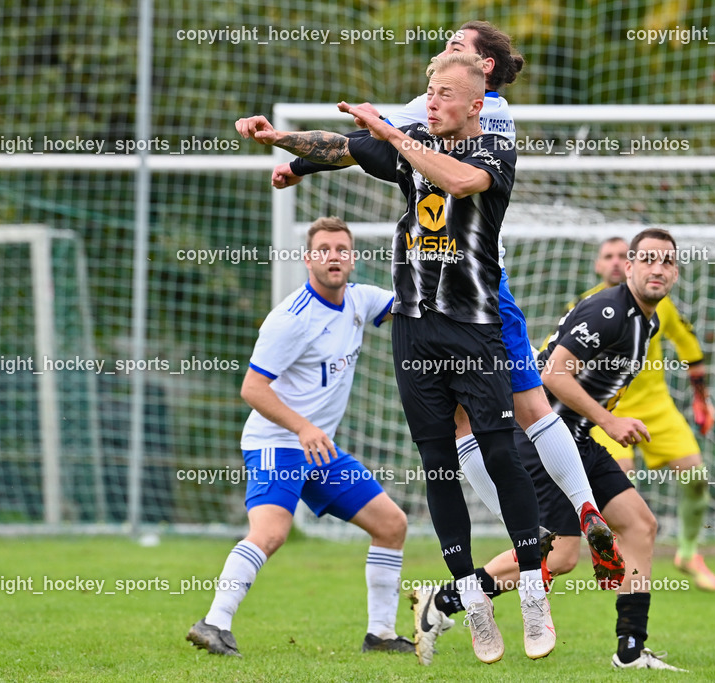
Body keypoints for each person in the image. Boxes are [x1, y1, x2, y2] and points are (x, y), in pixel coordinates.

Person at [274, 20, 622, 607]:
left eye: (458, 46)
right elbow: (362, 147)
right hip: (429, 308)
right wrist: (298, 160)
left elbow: (425, 161)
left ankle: (561, 519)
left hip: (478, 296)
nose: (444, 53)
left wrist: (382, 134)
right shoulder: (433, 101)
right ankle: (573, 513)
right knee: (479, 425)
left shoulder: (491, 119)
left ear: (483, 73)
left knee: (514, 416)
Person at [235, 52, 554, 663]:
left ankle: (534, 586)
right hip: (415, 331)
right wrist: (284, 144)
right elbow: (343, 146)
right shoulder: (409, 143)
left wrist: (387, 131)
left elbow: (456, 181)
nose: (431, 101)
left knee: (499, 450)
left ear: (475, 104)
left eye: (444, 94)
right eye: (428, 91)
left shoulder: (493, 153)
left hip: (476, 328)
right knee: (438, 465)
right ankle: (471, 596)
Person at [413, 228, 688, 671]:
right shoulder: (610, 310)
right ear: (630, 266)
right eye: (649, 259)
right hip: (545, 438)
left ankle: (631, 650)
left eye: (668, 261)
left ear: (675, 271)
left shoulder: (646, 320)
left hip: (580, 438)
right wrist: (611, 420)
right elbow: (553, 374)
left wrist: (602, 422)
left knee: (640, 525)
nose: (659, 268)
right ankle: (444, 601)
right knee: (558, 555)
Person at [186, 217, 412, 657]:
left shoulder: (360, 301)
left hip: (318, 448)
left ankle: (381, 635)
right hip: (276, 442)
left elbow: (412, 308)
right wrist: (303, 427)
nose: (334, 256)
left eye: (342, 249)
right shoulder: (290, 320)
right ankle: (214, 623)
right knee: (270, 534)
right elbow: (252, 388)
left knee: (391, 525)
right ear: (308, 258)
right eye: (324, 249)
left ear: (352, 258)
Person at [569, 237, 715, 591]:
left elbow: (691, 351)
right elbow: (557, 359)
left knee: (696, 478)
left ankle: (688, 552)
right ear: (598, 265)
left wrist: (702, 401)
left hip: (657, 407)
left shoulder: (660, 304)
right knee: (620, 478)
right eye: (608, 256)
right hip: (608, 409)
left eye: (623, 255)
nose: (615, 262)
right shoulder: (587, 305)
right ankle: (617, 551)